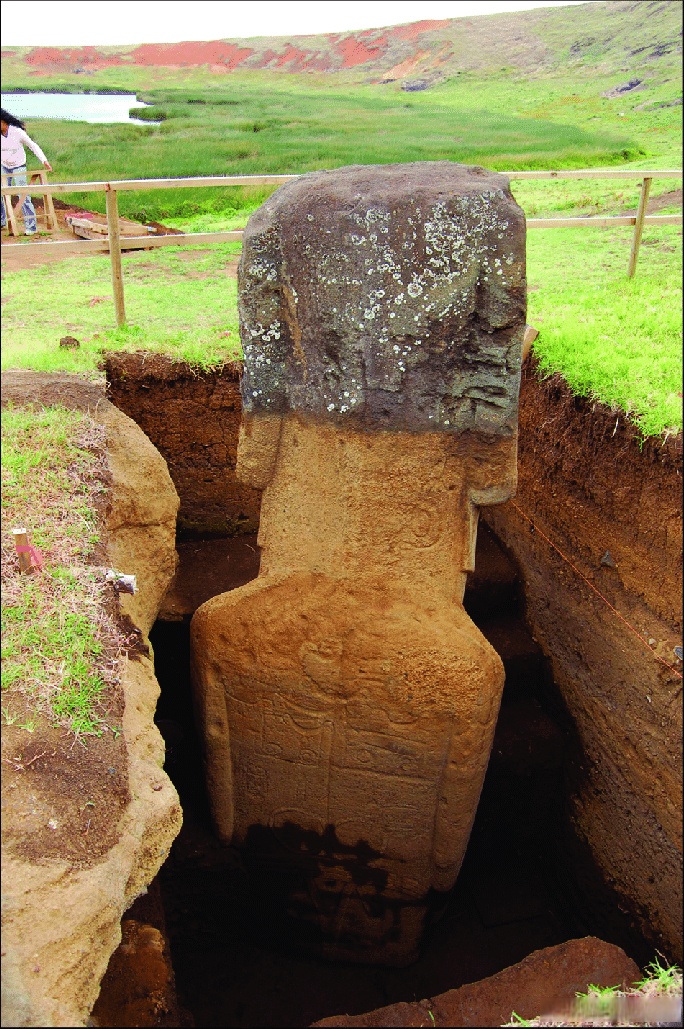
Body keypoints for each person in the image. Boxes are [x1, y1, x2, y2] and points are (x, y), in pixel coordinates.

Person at [1, 108, 53, 236]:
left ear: (3, 121)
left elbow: (33, 145)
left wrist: (44, 160)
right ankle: (2, 221)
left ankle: (31, 226)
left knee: (22, 194)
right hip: (4, 165)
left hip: (18, 165)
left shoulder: (17, 132)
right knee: (2, 192)